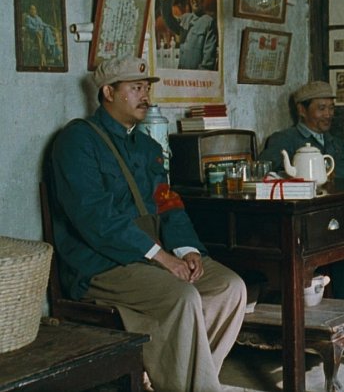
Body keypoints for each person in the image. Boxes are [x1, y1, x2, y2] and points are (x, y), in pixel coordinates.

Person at [49, 55, 246, 392]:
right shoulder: (77, 141)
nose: (146, 96)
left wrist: (187, 251)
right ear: (108, 92)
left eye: (146, 88)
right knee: (182, 296)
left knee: (229, 287)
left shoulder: (147, 146)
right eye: (136, 88)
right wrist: (161, 257)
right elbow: (96, 219)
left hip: (150, 254)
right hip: (100, 263)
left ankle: (186, 382)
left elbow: (169, 205)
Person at [259, 81, 344, 299]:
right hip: (310, 222)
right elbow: (264, 174)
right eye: (321, 108)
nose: (328, 114)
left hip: (343, 215)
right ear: (301, 109)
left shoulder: (336, 143)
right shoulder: (285, 139)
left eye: (331, 108)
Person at [159, 0, 218, 70]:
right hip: (181, 75)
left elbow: (208, 63)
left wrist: (195, 78)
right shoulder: (185, 18)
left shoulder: (208, 22)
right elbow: (168, 19)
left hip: (196, 78)